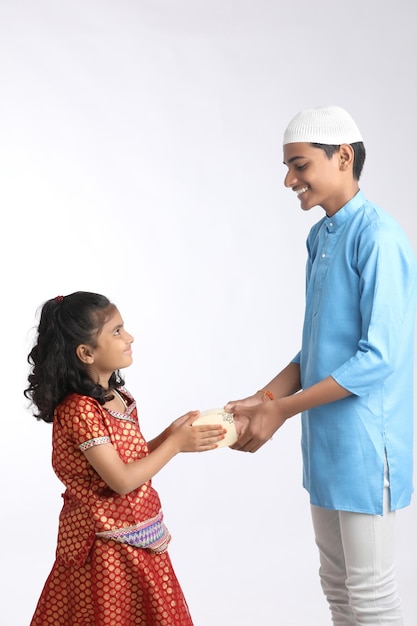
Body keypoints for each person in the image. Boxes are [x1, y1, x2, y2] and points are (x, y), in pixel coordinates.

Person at [225, 106, 417, 625]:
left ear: (343, 157)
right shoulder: (321, 235)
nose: (289, 179)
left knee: (372, 594)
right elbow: (315, 350)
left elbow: (378, 359)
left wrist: (282, 410)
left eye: (299, 165)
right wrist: (263, 400)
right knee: (337, 587)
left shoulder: (378, 237)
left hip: (364, 442)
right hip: (325, 442)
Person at [25, 291, 226, 626]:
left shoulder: (116, 396)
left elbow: (126, 459)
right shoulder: (80, 410)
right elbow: (120, 480)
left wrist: (167, 436)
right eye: (116, 332)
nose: (129, 337)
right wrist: (174, 445)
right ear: (86, 353)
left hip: (136, 535)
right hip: (105, 549)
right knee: (111, 616)